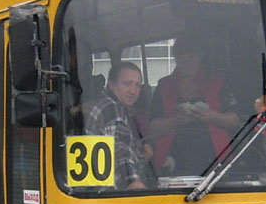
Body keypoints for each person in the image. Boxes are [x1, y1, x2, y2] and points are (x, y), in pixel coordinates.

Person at [147, 36, 240, 176]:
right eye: (181, 58)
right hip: (172, 160)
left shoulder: (218, 82)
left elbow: (235, 121)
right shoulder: (164, 86)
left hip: (216, 158)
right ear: (175, 58)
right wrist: (174, 121)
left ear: (200, 57)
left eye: (191, 57)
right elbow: (151, 129)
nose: (186, 63)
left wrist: (211, 116)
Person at [85, 61, 152, 190]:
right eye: (127, 84)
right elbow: (120, 150)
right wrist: (133, 181)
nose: (133, 91)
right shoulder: (112, 109)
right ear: (111, 85)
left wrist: (140, 153)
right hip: (112, 192)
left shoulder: (112, 105)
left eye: (137, 85)